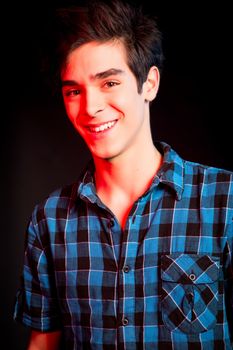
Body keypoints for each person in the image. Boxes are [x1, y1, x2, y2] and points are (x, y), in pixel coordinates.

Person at [14, 0, 233, 349]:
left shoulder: (224, 200)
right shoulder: (49, 220)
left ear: (149, 84)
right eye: (73, 91)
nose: (89, 108)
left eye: (109, 83)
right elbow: (43, 343)